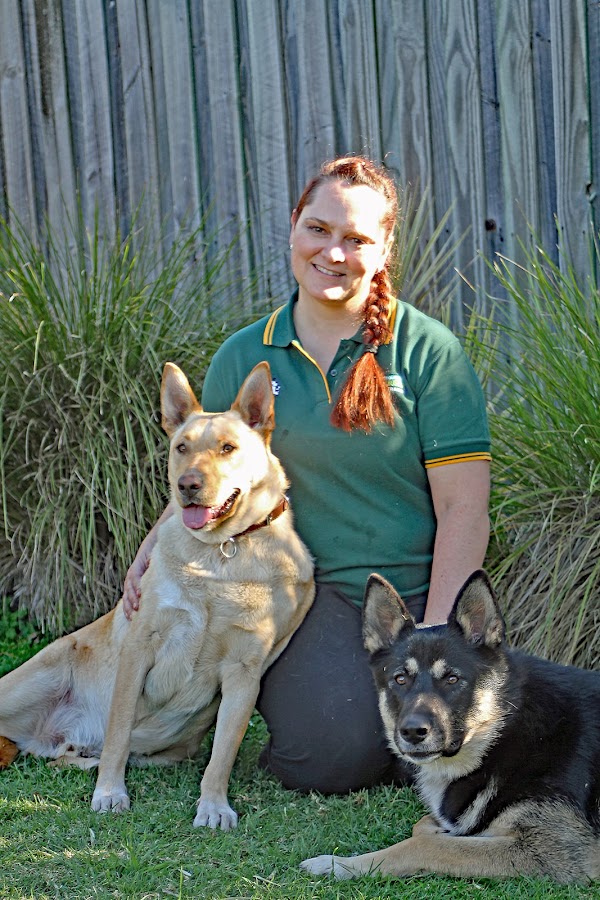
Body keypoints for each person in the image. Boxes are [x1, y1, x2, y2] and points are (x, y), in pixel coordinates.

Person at [122, 156, 491, 795]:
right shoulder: (245, 354)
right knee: (330, 757)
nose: (333, 253)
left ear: (383, 250)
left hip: (416, 590)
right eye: (318, 229)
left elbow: (465, 509)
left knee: (468, 737)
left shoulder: (429, 353)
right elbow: (209, 471)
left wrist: (434, 638)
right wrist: (154, 548)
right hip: (302, 594)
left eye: (356, 239)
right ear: (294, 225)